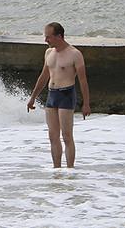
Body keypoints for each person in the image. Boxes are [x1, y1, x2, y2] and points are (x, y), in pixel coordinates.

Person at [27, 22, 91, 168]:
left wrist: (86, 104)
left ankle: (70, 170)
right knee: (52, 136)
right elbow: (43, 77)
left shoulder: (74, 54)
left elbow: (83, 81)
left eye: (48, 37)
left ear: (59, 36)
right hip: (52, 95)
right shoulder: (49, 53)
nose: (46, 40)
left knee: (67, 136)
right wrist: (32, 98)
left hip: (66, 94)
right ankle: (57, 170)